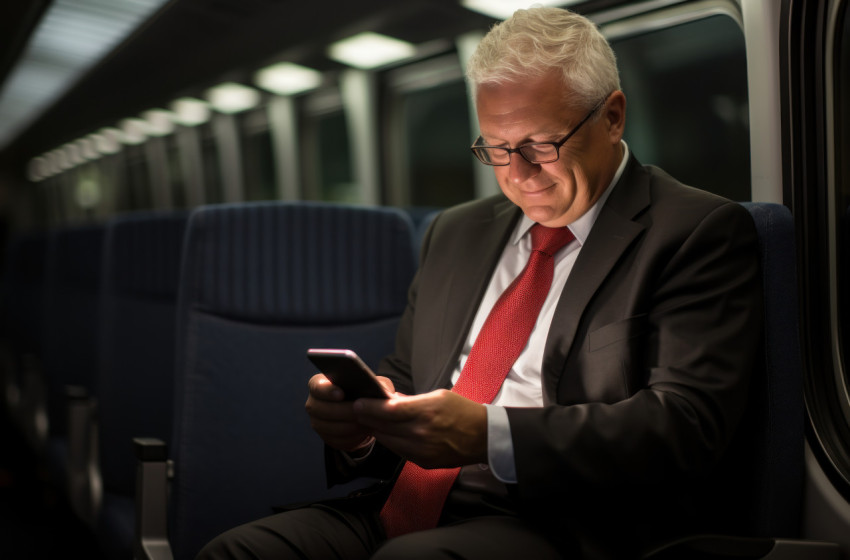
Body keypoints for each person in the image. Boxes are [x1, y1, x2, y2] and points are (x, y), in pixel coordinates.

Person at [197, 6, 762, 559]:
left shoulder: (693, 232)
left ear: (612, 117)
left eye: (541, 144)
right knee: (239, 549)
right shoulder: (456, 230)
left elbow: (686, 427)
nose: (517, 173)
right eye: (495, 147)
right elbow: (408, 378)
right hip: (406, 503)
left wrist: (489, 435)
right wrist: (366, 425)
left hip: (564, 521)